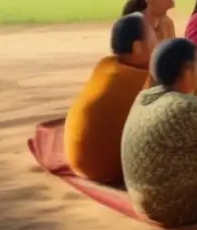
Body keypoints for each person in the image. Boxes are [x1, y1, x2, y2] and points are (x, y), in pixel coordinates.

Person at [121, 38, 197, 228]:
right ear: (187, 71)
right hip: (174, 208)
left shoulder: (143, 97)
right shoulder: (186, 107)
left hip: (143, 203)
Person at [63, 14, 154, 184]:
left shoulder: (105, 65)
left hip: (75, 158)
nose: (157, 47)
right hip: (102, 168)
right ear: (138, 48)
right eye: (154, 42)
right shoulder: (143, 80)